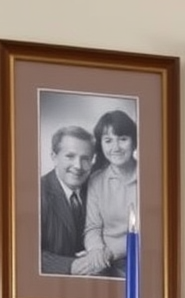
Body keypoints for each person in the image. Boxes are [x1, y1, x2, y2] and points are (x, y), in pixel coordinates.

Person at [39, 126, 112, 276]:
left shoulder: (97, 190)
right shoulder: (36, 193)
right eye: (70, 156)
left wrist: (98, 257)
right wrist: (71, 265)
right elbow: (25, 252)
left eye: (85, 158)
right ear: (54, 156)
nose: (78, 166)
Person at [83, 109, 138, 279]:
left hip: (137, 256)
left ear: (134, 142)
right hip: (102, 258)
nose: (115, 147)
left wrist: (108, 253)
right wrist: (96, 250)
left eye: (123, 139)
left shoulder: (153, 178)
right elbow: (92, 227)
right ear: (101, 144)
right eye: (108, 140)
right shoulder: (96, 180)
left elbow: (150, 232)